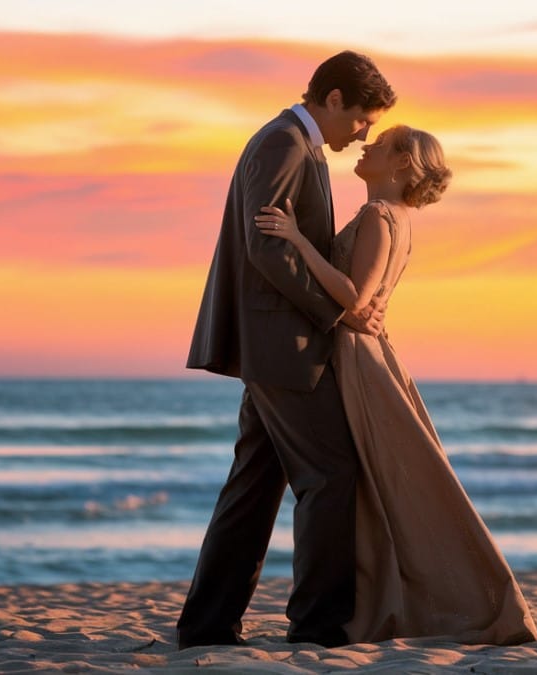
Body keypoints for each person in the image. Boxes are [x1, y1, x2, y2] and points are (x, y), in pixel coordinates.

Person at [255, 125, 537, 644]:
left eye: (380, 145)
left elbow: (356, 300)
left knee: (373, 483)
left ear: (403, 163)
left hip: (357, 359)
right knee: (377, 484)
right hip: (367, 352)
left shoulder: (379, 217)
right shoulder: (396, 218)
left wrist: (295, 239)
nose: (366, 146)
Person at [179, 50, 397, 649]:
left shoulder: (298, 146)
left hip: (277, 343)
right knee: (330, 475)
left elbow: (297, 247)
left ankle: (207, 627)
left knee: (254, 486)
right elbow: (266, 248)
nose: (364, 134)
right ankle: (317, 628)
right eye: (362, 119)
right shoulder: (283, 143)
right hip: (285, 344)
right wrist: (340, 310)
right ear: (331, 99)